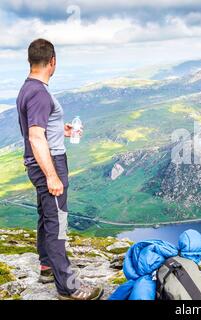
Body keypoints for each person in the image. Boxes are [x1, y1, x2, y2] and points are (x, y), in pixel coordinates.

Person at [16, 39, 103, 300]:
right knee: (57, 221)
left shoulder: (27, 88)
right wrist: (52, 175)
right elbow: (35, 136)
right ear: (53, 61)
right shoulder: (40, 93)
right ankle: (69, 287)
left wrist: (60, 130)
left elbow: (42, 129)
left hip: (39, 161)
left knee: (46, 214)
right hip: (49, 163)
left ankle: (46, 265)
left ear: (30, 60)